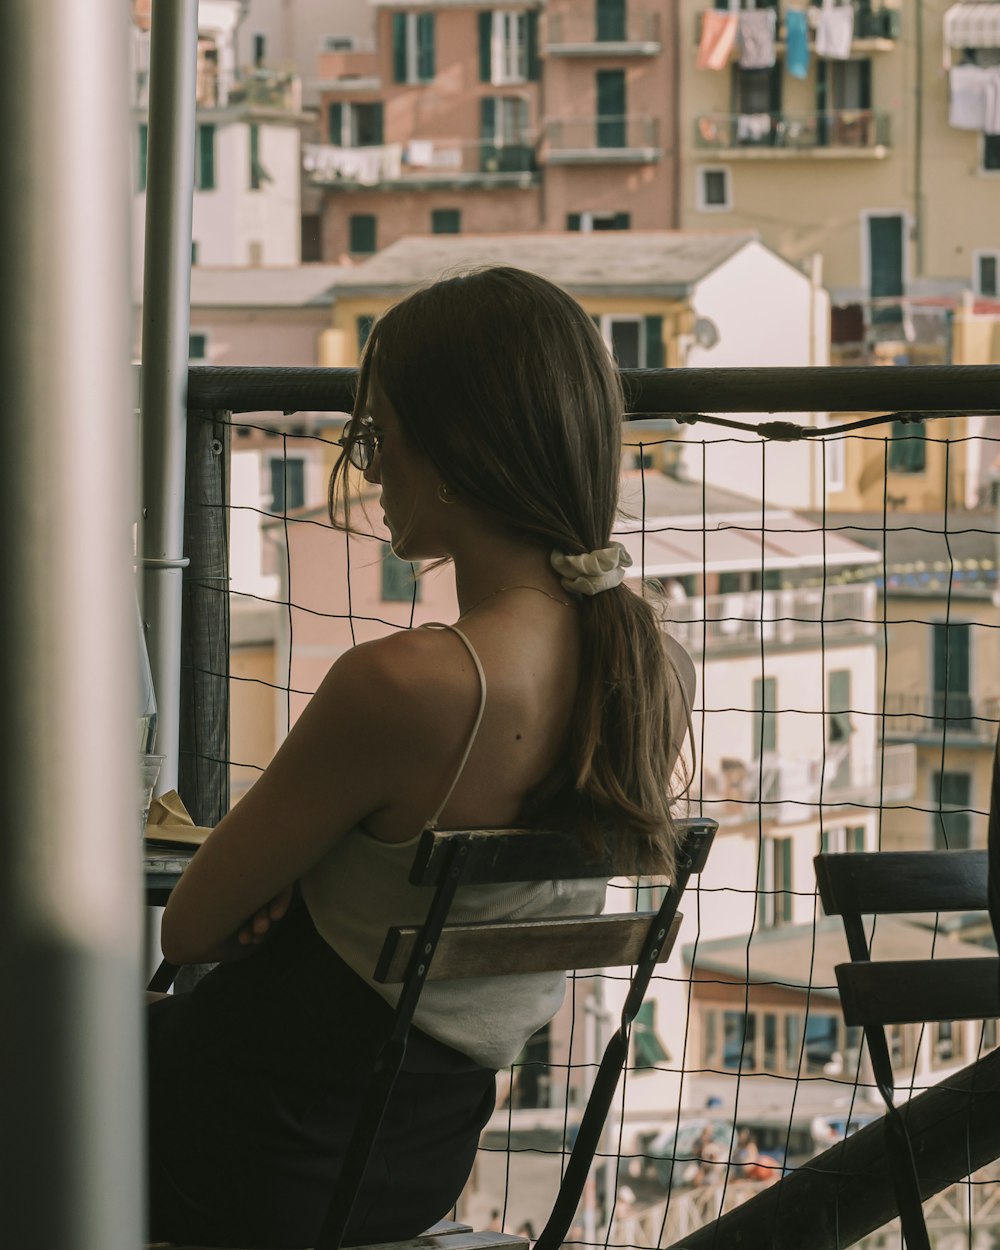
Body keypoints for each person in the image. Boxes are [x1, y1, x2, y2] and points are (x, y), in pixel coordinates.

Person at [146, 265, 696, 1248]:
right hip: (406, 1167)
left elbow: (188, 926)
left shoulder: (402, 685)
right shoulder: (650, 669)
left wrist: (287, 891)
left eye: (377, 433)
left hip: (234, 1146)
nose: (369, 465)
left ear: (453, 452)